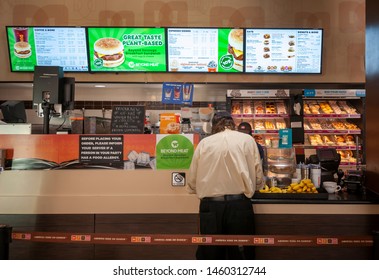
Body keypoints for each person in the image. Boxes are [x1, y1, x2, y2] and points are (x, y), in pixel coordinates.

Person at [187, 111, 265, 260]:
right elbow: (258, 174)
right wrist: (257, 186)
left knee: (211, 252)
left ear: (214, 126)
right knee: (241, 252)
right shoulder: (247, 140)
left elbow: (193, 179)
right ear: (232, 124)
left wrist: (196, 189)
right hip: (239, 205)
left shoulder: (205, 143)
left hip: (211, 207)